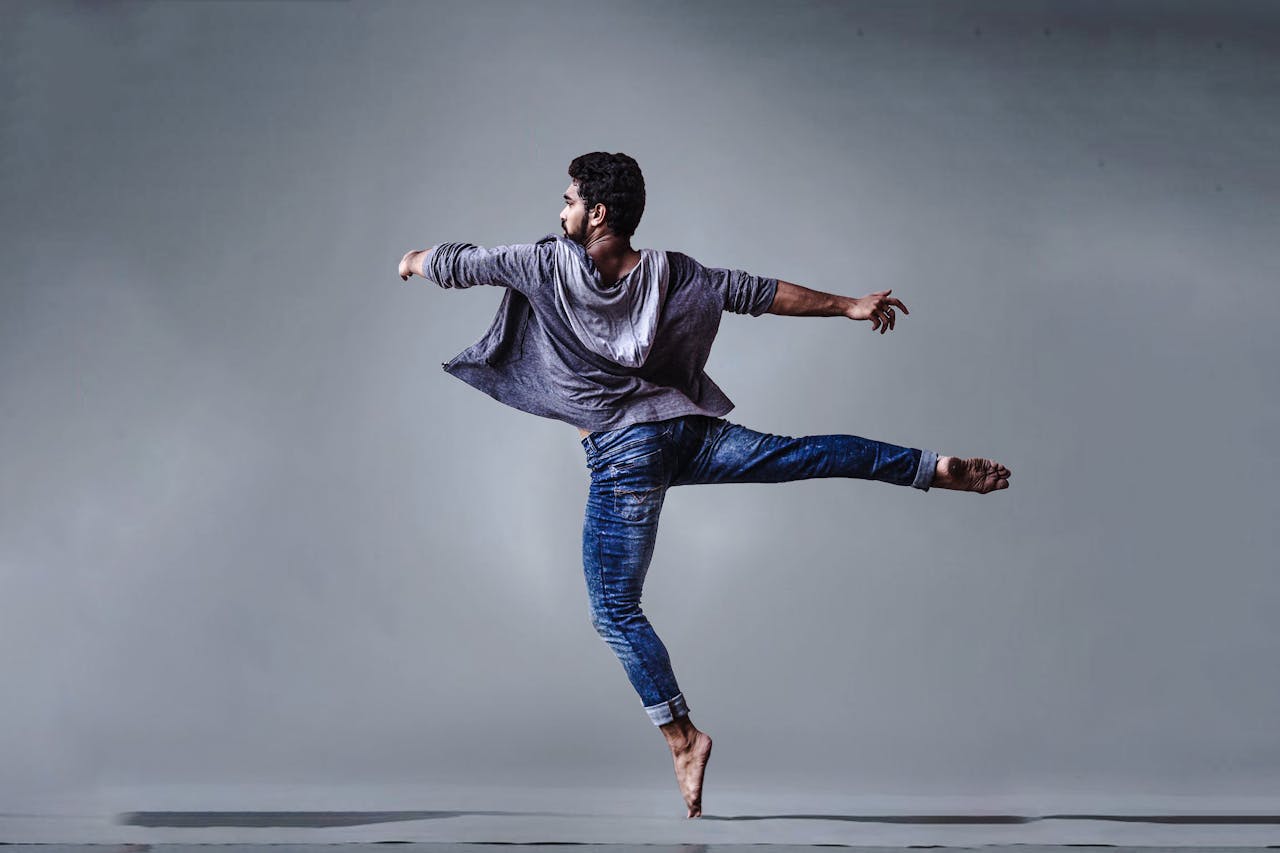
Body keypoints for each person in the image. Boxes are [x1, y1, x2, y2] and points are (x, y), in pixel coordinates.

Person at [397, 151, 1010, 819]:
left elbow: (460, 263)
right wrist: (848, 306)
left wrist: (413, 260)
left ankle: (683, 737)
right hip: (686, 432)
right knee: (804, 454)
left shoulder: (543, 264)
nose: (561, 209)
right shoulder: (674, 271)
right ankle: (928, 467)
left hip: (624, 456)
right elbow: (755, 292)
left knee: (614, 611)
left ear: (596, 213)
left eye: (568, 200)